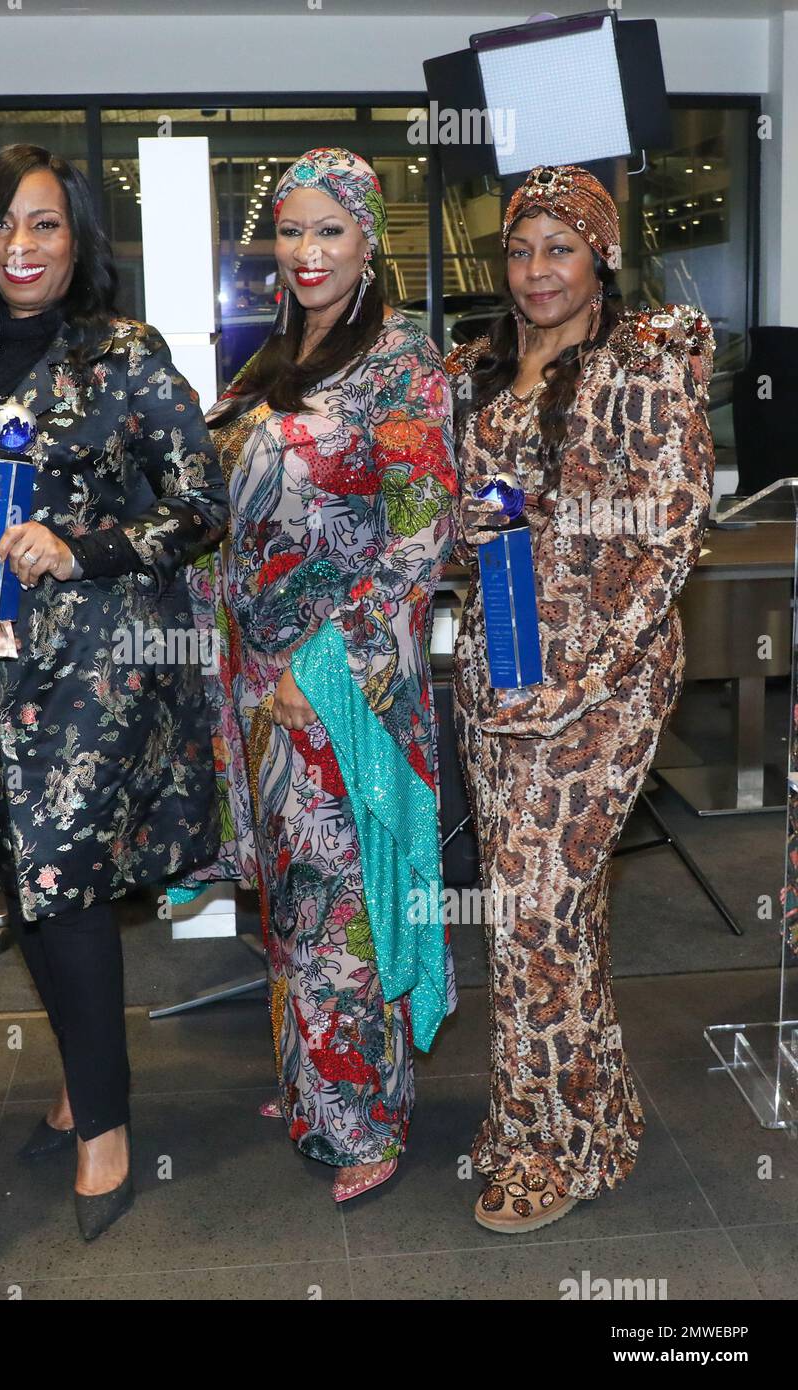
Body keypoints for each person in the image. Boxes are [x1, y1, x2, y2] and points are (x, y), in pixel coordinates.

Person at [0, 144, 228, 1240]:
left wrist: (81, 546)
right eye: (0, 224)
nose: (21, 245)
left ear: (78, 238)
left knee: (68, 892)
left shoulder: (123, 353)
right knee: (25, 888)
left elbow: (201, 505)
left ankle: (107, 1128)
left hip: (90, 676)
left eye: (44, 224)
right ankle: (75, 1085)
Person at [445, 164, 714, 1232]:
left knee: (531, 910)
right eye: (519, 248)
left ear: (600, 252)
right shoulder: (479, 367)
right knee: (549, 920)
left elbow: (670, 526)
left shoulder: (648, 357)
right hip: (495, 671)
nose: (535, 270)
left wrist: (575, 680)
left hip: (604, 681)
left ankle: (539, 1145)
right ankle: (587, 1118)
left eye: (558, 247)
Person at [189, 148, 459, 1203]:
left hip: (338, 681)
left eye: (328, 232)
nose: (306, 252)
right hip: (259, 679)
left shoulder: (403, 361)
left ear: (367, 240)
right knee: (293, 898)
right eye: (291, 231)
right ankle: (315, 1084)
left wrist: (330, 662)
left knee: (344, 897)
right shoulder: (272, 360)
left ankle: (366, 1123)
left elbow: (420, 533)